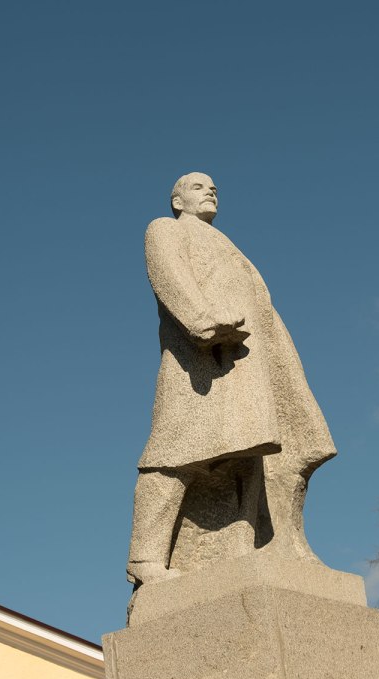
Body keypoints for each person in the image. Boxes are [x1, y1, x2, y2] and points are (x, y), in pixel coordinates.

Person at [127, 172, 335, 589]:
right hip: (198, 361)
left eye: (214, 187)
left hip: (246, 364)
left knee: (250, 454)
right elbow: (169, 275)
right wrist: (202, 321)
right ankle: (144, 557)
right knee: (173, 452)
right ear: (177, 200)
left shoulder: (231, 247)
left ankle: (244, 545)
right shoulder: (164, 230)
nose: (211, 191)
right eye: (198, 187)